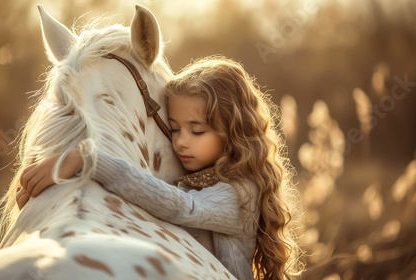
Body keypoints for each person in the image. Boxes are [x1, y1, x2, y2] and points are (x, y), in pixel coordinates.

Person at [17, 56, 304, 279]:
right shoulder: (196, 180)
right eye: (175, 129)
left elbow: (183, 208)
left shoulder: (240, 194)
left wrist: (91, 160)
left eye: (197, 131)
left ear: (234, 133)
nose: (180, 142)